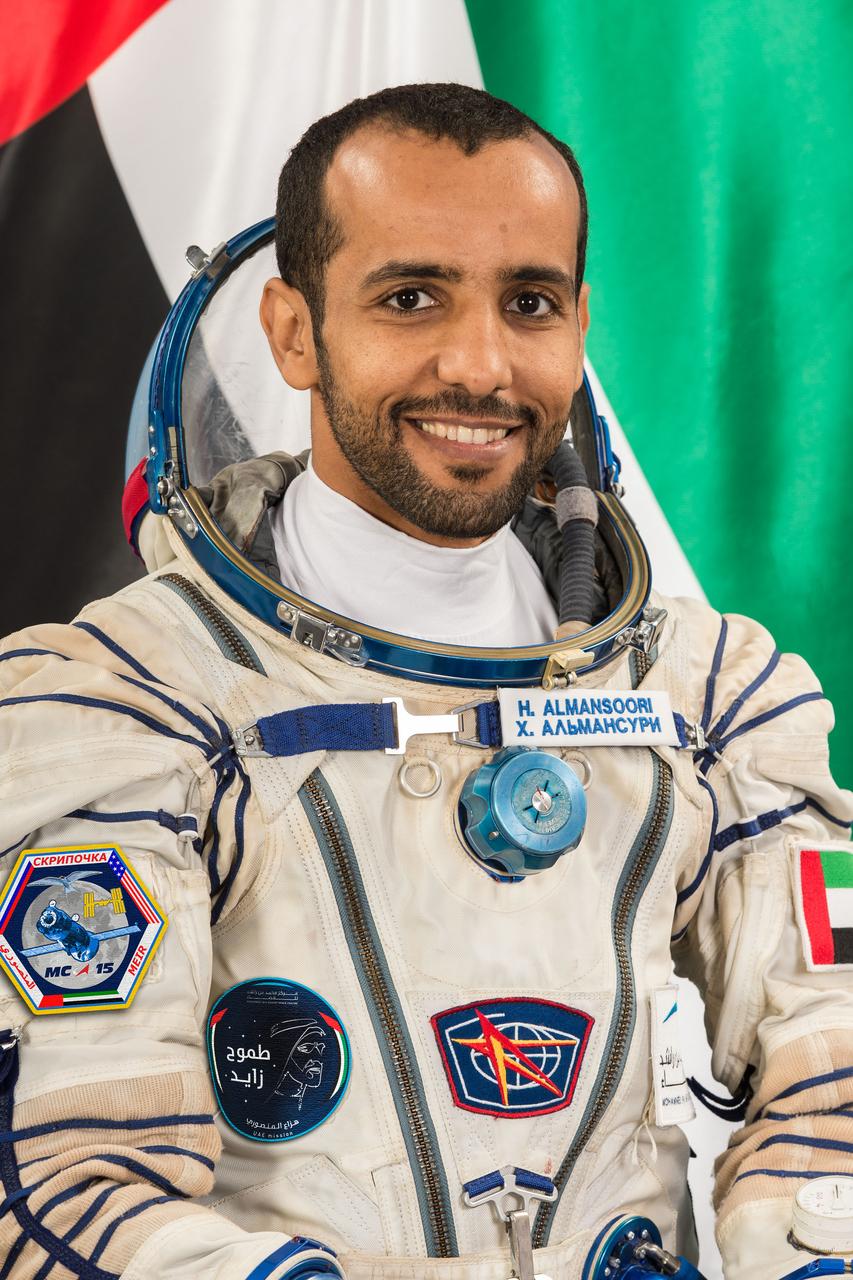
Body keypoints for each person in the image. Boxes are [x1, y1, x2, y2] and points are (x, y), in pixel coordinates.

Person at [0, 82, 851, 1280]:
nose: (481, 364)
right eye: (411, 297)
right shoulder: (129, 704)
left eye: (530, 302)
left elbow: (838, 1059)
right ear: (293, 331)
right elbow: (68, 1175)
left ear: (579, 324)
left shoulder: (715, 698)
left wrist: (813, 1245)